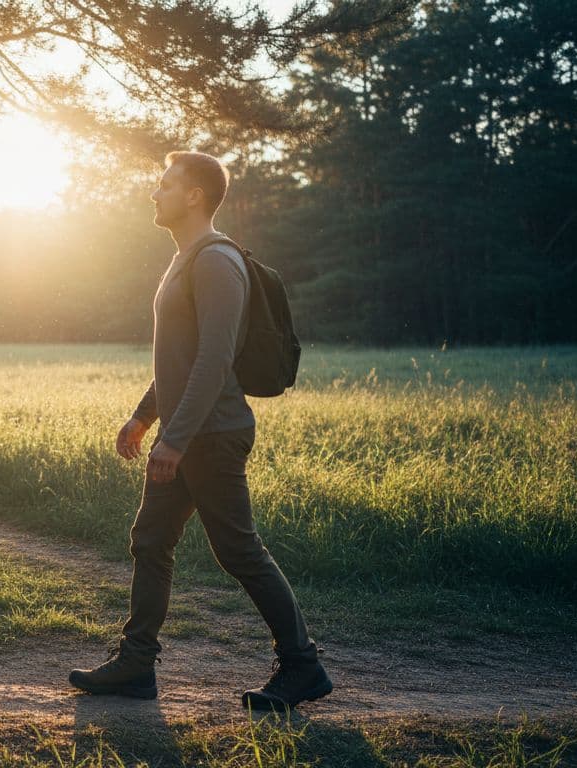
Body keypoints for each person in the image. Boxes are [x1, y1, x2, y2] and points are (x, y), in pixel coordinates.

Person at [67, 151, 332, 711]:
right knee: (151, 540)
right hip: (192, 430)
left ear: (193, 196)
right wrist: (144, 416)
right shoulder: (186, 259)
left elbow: (215, 358)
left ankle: (303, 665)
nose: (153, 192)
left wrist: (176, 439)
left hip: (212, 434)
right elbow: (180, 359)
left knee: (238, 550)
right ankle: (137, 664)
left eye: (164, 184)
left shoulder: (215, 261)